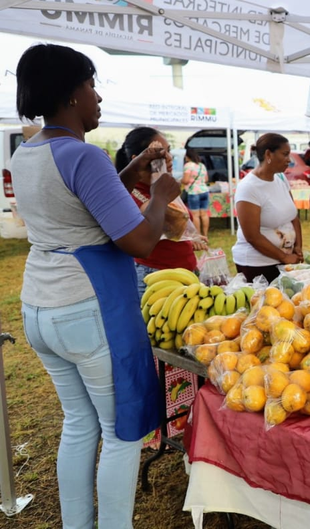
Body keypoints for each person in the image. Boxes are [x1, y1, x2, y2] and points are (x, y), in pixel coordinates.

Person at [13, 43, 180, 528]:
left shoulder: (30, 151)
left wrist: (129, 170)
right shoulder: (83, 156)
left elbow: (79, 199)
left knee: (80, 424)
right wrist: (161, 194)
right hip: (89, 309)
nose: (97, 96)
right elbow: (142, 241)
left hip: (41, 307)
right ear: (70, 95)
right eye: (90, 84)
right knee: (123, 433)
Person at [117, 127, 207, 296]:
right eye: (160, 155)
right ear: (138, 160)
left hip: (185, 272)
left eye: (169, 151)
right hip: (157, 277)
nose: (169, 158)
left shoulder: (161, 189)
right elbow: (170, 224)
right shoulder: (132, 192)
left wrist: (191, 238)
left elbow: (180, 224)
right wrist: (160, 175)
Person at [232, 133, 302, 284]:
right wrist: (284, 257)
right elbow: (252, 236)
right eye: (285, 154)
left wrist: (298, 247)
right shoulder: (248, 187)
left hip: (285, 261)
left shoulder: (281, 179)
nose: (289, 160)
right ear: (268, 154)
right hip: (257, 265)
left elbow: (293, 216)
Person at [181, 148, 210, 239]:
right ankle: (205, 235)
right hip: (204, 191)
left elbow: (185, 181)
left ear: (188, 156)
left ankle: (198, 236)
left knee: (195, 215)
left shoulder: (188, 165)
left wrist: (179, 180)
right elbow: (206, 179)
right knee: (204, 214)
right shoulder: (202, 166)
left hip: (194, 192)